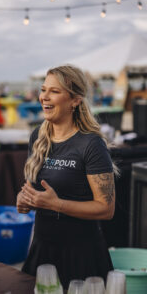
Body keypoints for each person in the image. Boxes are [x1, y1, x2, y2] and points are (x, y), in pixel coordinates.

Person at [17, 65, 118, 289]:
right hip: (42, 249)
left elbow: (106, 208)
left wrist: (57, 204)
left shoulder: (91, 144)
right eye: (43, 89)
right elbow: (34, 188)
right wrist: (25, 200)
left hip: (81, 253)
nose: (44, 96)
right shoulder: (38, 136)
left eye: (54, 91)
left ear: (75, 100)